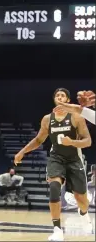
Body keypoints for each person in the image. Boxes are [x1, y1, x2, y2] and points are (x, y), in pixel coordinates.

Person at [14, 88, 92, 241]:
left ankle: (84, 214)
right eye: (57, 95)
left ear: (68, 100)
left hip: (74, 160)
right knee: (54, 188)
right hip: (56, 158)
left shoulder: (76, 117)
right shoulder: (47, 119)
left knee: (81, 200)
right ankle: (57, 229)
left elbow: (87, 141)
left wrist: (72, 142)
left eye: (63, 95)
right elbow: (38, 140)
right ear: (55, 99)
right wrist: (22, 152)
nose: (60, 97)